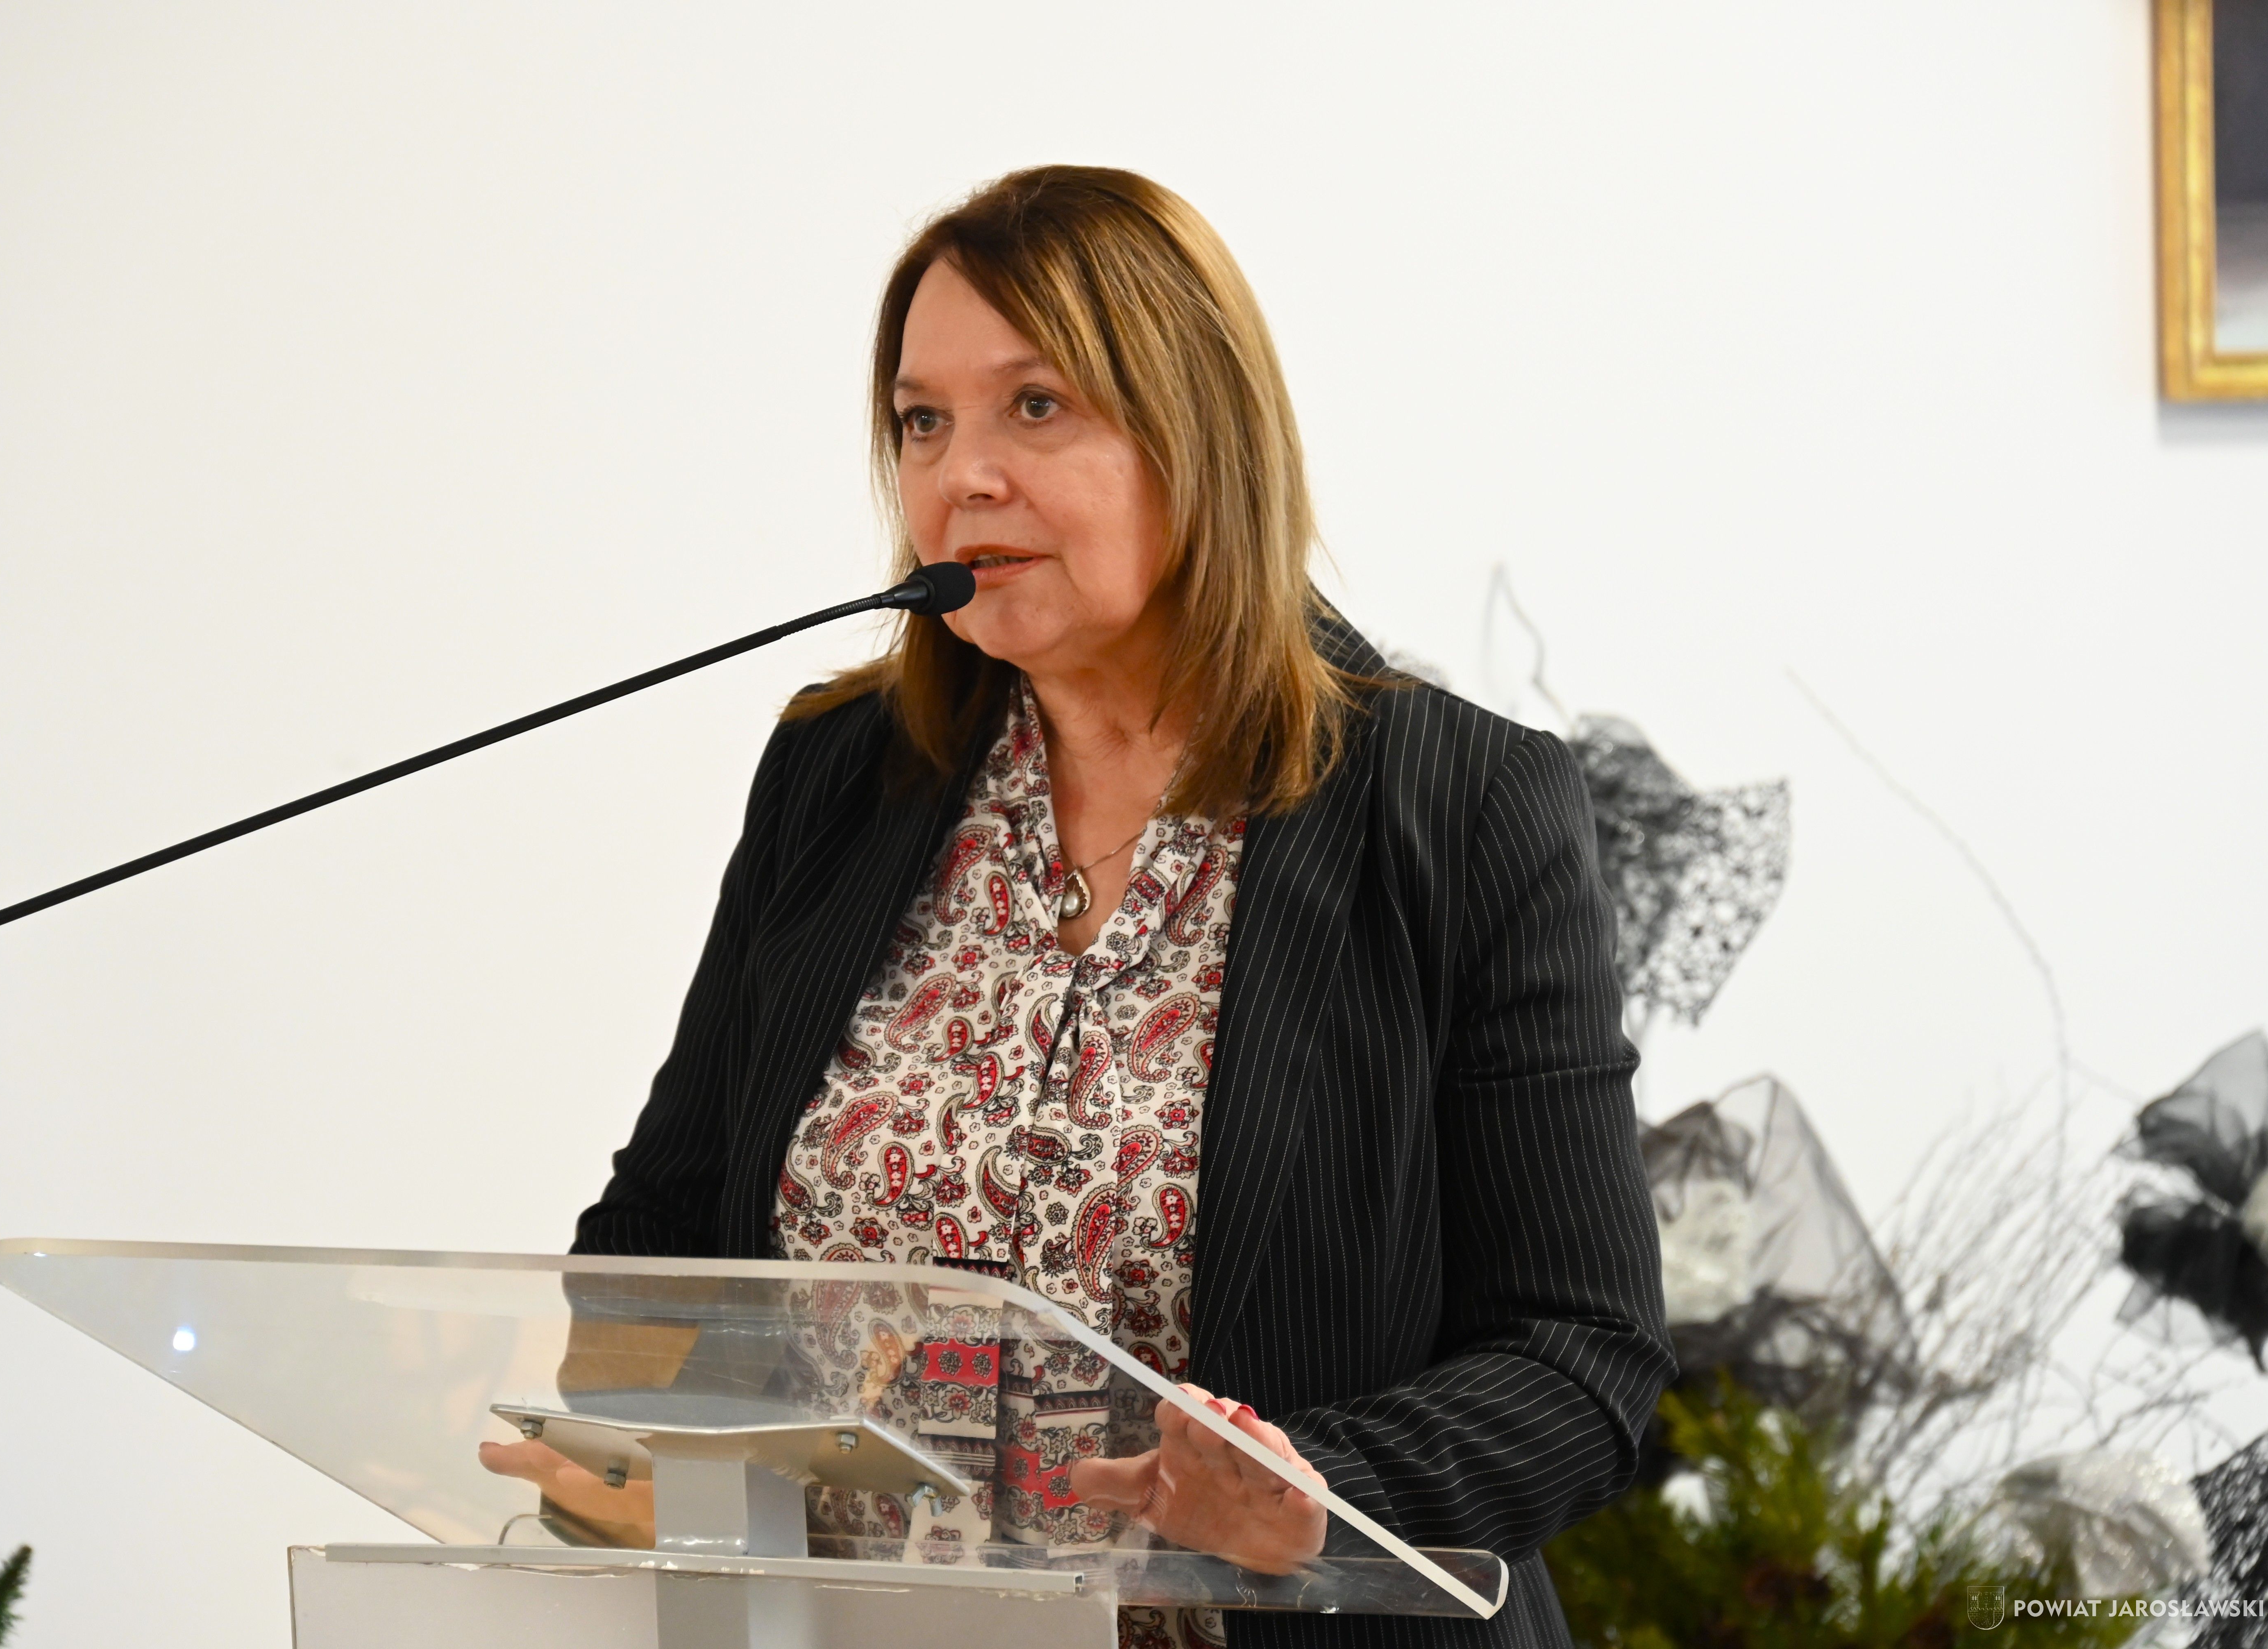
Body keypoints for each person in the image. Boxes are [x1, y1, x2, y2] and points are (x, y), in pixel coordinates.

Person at [509, 165, 1673, 1648]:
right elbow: (662, 1235)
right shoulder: (838, 777)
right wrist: (645, 1449)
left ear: (1198, 431)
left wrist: (1316, 1493)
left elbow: (1582, 1357)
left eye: (1035, 405)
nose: (962, 476)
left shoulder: (1459, 807)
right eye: (922, 421)